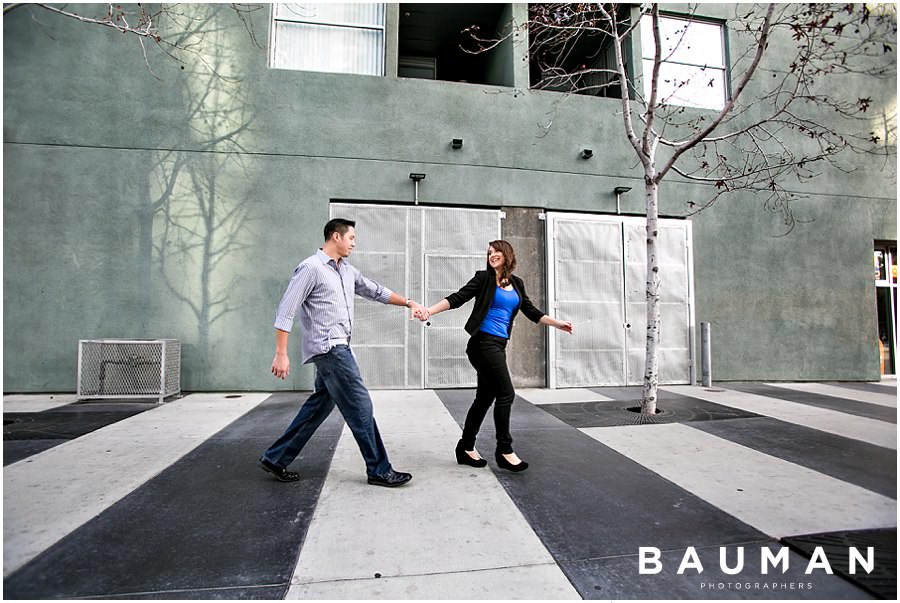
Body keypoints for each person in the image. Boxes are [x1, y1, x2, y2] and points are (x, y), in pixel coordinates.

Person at [260, 218, 426, 487]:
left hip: (339, 347)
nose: (354, 243)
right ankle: (379, 469)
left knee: (319, 406)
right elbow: (286, 310)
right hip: (330, 349)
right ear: (335, 237)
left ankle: (276, 457)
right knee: (361, 406)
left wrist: (408, 303)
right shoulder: (311, 268)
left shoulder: (346, 271)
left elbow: (375, 290)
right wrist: (281, 353)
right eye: (351, 238)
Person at [414, 240, 573, 471]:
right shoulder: (483, 278)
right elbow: (457, 298)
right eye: (489, 252)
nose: (492, 255)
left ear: (507, 254)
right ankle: (505, 450)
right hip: (482, 343)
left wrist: (557, 323)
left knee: (484, 398)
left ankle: (465, 448)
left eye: (496, 251)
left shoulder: (517, 284)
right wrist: (429, 310)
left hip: (498, 345)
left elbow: (531, 311)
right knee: (506, 393)